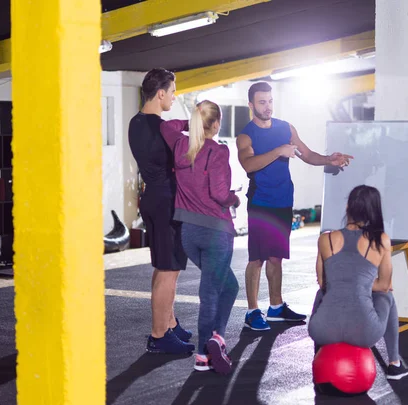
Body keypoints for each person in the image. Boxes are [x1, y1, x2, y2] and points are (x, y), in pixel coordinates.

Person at [236, 82, 353, 331]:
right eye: (262, 102)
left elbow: (307, 154)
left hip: (283, 200)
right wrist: (278, 151)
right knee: (257, 258)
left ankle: (276, 308)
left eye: (270, 101)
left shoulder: (286, 128)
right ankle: (252, 311)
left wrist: (329, 159)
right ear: (251, 105)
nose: (267, 107)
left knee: (276, 257)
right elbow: (248, 164)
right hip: (260, 202)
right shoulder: (246, 135)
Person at [160, 100, 240, 374]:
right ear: (216, 124)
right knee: (210, 292)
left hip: (188, 233)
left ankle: (216, 338)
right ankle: (204, 352)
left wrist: (190, 125)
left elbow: (167, 126)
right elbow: (220, 194)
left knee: (228, 287)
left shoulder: (181, 146)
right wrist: (235, 199)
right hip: (216, 232)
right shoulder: (218, 151)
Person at [308, 185, 408, 380]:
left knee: (322, 295)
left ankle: (318, 358)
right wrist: (359, 284)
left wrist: (348, 282)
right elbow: (384, 284)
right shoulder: (381, 240)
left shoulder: (325, 239)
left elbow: (323, 283)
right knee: (387, 295)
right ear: (374, 210)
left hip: (322, 330)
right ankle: (394, 365)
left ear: (348, 207)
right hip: (364, 333)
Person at [128, 68, 194, 354]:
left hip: (152, 198)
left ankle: (169, 323)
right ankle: (159, 335)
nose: (174, 96)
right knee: (169, 270)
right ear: (161, 93)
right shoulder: (162, 130)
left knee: (164, 266)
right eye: (173, 91)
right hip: (167, 201)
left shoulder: (136, 122)